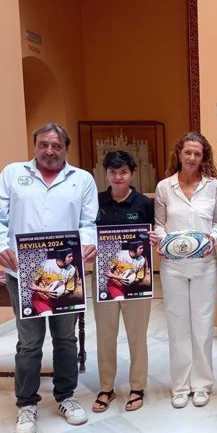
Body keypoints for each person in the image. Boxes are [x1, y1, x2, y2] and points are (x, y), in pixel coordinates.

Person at [0, 122, 98, 433]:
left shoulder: (82, 180)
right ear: (35, 145)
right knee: (29, 342)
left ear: (66, 148)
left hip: (65, 273)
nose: (49, 151)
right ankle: (26, 404)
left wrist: (89, 243)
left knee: (65, 339)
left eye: (56, 146)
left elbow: (88, 222)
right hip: (23, 271)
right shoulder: (13, 174)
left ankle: (65, 397)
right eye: (43, 144)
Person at [152, 131, 217, 409]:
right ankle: (180, 386)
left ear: (203, 156)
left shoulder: (214, 187)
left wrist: (213, 239)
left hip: (205, 263)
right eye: (187, 152)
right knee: (178, 324)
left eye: (197, 153)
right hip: (173, 266)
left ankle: (202, 384)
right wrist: (159, 238)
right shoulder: (164, 187)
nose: (192, 157)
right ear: (179, 154)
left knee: (203, 326)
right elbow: (159, 223)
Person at [91, 150, 154, 413]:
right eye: (113, 172)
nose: (118, 177)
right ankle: (106, 388)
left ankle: (137, 386)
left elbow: (155, 233)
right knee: (106, 334)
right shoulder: (94, 202)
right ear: (106, 174)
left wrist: (154, 240)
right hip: (103, 278)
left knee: (137, 335)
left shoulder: (143, 204)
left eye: (123, 172)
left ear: (132, 174)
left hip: (137, 279)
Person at [29, 248, 77, 315]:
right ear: (62, 256)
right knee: (47, 313)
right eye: (69, 256)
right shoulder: (45, 264)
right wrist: (45, 290)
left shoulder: (71, 269)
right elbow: (31, 284)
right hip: (39, 298)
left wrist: (57, 293)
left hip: (56, 301)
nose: (72, 258)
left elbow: (69, 289)